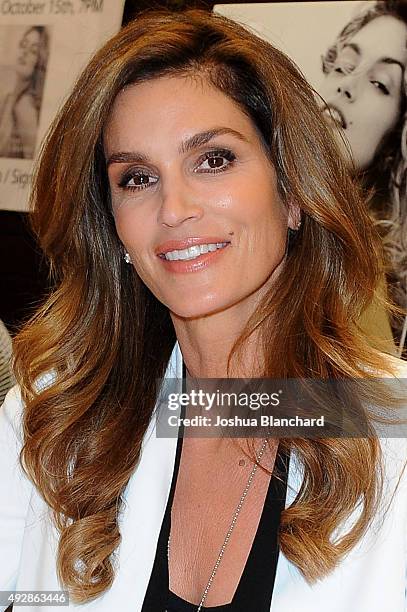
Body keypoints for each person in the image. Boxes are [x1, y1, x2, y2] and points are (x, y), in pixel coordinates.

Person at [0, 8, 407, 612]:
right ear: (112, 226)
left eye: (213, 159)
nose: (174, 208)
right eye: (137, 177)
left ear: (292, 191)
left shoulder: (394, 430)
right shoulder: (53, 416)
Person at [319, 0, 407, 355]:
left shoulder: (360, 275)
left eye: (379, 84)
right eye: (344, 66)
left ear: (396, 137)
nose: (347, 85)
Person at [0, 26, 49, 159]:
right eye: (23, 44)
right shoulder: (9, 97)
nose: (25, 52)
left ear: (39, 61)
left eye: (33, 51)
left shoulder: (25, 105)